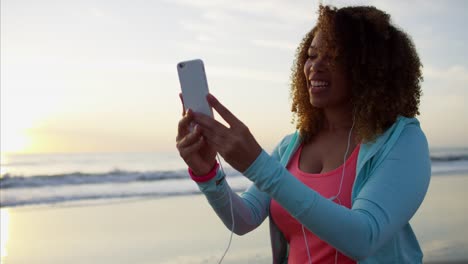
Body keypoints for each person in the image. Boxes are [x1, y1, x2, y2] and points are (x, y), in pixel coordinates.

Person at [176, 5, 431, 264]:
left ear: (370, 67)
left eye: (333, 55)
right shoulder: (293, 145)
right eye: (311, 55)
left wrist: (257, 165)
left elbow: (364, 237)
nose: (315, 66)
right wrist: (208, 173)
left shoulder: (402, 140)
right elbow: (245, 218)